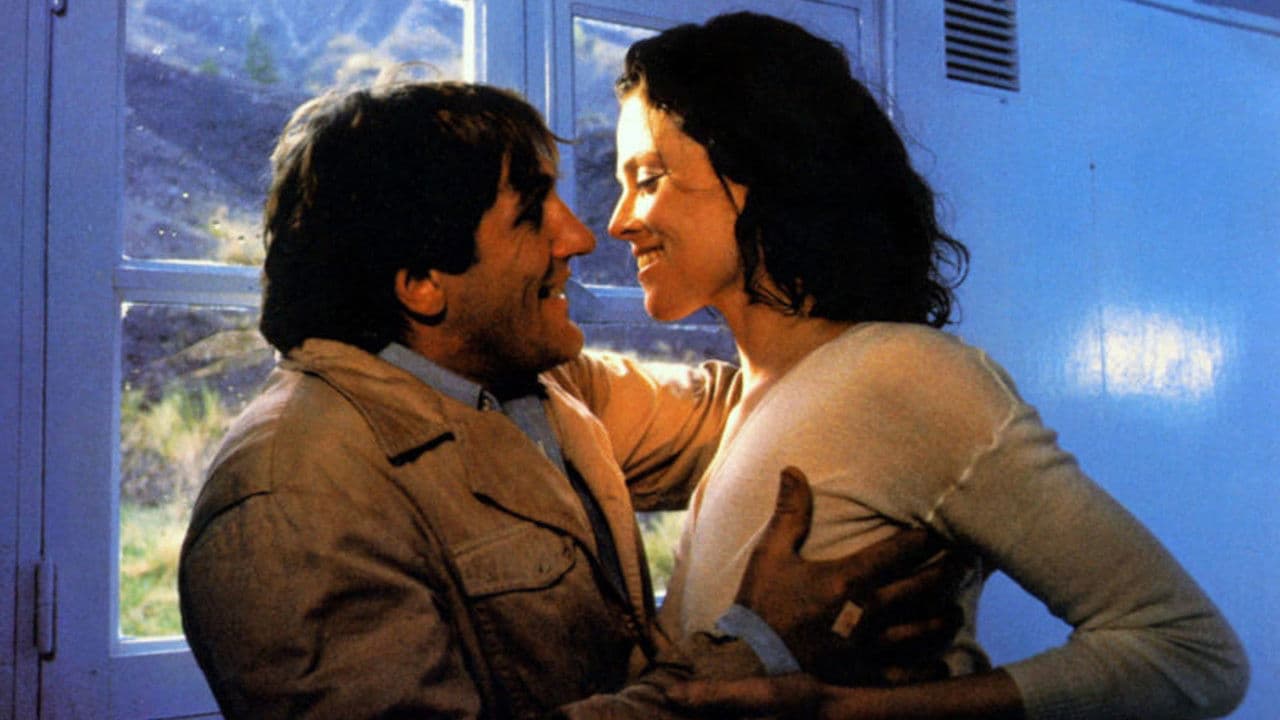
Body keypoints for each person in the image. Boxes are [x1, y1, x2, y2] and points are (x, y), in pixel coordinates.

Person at [178, 80, 958, 720]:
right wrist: (755, 647)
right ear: (421, 284)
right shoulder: (292, 501)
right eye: (532, 216)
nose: (581, 238)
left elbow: (769, 405)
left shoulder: (539, 388)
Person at [605, 11, 1249, 719]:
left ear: (764, 168)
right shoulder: (752, 401)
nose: (618, 220)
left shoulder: (903, 375)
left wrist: (853, 712)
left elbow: (1190, 651)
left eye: (649, 178)